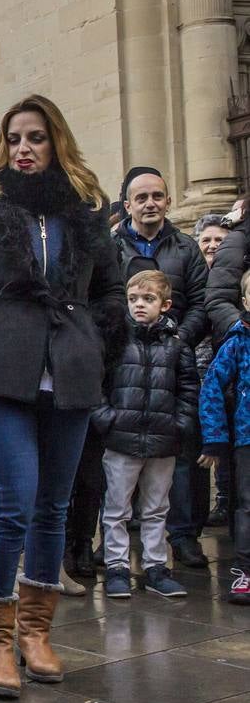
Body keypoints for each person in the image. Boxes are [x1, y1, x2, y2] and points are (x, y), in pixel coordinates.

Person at [0, 94, 124, 699]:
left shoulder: (84, 207)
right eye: (14, 138)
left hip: (68, 370)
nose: (24, 148)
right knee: (12, 502)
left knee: (54, 508)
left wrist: (98, 342)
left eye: (35, 137)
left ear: (55, 139)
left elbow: (110, 292)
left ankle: (36, 633)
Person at [112, 167, 211, 571]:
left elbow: (204, 301)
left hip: (174, 360)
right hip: (127, 361)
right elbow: (103, 297)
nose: (150, 203)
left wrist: (179, 340)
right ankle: (116, 540)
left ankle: (184, 536)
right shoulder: (110, 246)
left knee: (180, 449)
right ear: (128, 204)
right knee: (121, 450)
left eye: (157, 196)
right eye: (142, 198)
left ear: (168, 201)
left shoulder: (185, 248)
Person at [93, 271, 197, 600]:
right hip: (121, 439)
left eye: (148, 299)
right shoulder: (116, 341)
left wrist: (179, 423)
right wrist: (107, 419)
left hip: (163, 440)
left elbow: (189, 389)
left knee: (155, 508)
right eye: (134, 299)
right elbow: (99, 383)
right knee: (116, 509)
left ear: (165, 305)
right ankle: (117, 567)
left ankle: (155, 567)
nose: (139, 305)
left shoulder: (178, 346)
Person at [198, 268, 250, 606]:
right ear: (245, 301)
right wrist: (215, 438)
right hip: (247, 438)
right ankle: (246, 567)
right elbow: (212, 387)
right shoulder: (238, 340)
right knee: (247, 504)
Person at [194, 214, 234, 527]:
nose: (212, 245)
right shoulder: (194, 276)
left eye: (219, 240)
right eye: (206, 240)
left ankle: (225, 497)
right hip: (199, 367)